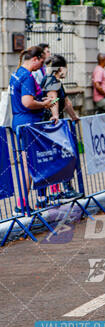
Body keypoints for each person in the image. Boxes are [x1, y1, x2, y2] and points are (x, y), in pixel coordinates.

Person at [9, 46, 53, 213]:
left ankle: (25, 203)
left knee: (28, 165)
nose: (41, 65)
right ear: (34, 59)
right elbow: (27, 102)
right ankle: (21, 205)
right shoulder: (27, 76)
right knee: (28, 166)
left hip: (21, 122)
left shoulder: (16, 73)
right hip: (28, 124)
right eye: (41, 62)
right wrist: (44, 104)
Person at [40, 54, 82, 201]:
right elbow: (54, 99)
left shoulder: (55, 81)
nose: (67, 71)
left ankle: (62, 190)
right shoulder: (51, 80)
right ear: (61, 68)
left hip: (55, 124)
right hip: (51, 126)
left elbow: (66, 102)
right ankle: (60, 191)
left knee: (61, 157)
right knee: (57, 158)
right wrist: (56, 117)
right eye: (66, 68)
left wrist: (74, 117)